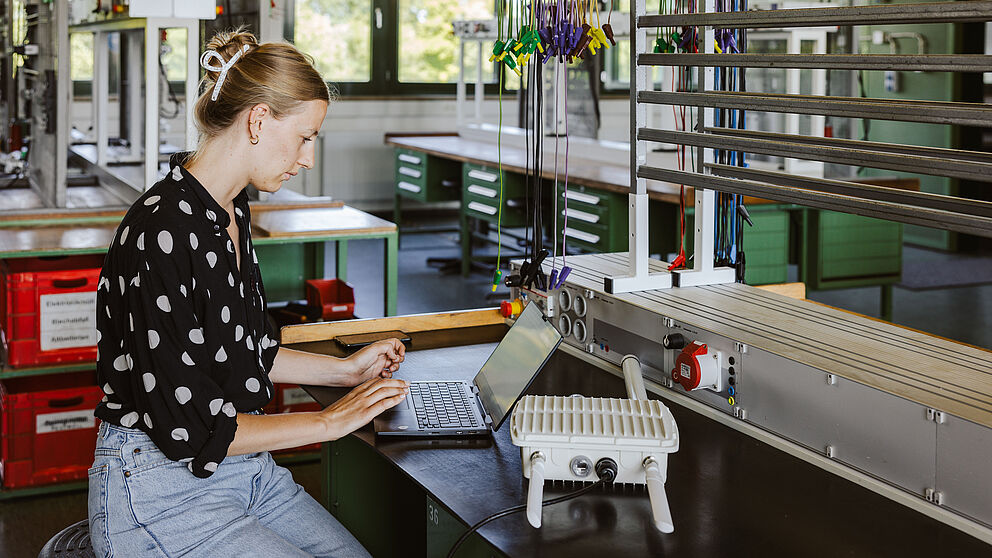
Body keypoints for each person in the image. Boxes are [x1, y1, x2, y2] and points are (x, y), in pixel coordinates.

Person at [87, 29, 408, 557]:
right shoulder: (160, 231)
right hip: (159, 487)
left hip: (244, 470)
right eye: (305, 137)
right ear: (258, 120)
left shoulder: (231, 211)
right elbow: (190, 426)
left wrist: (346, 372)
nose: (307, 158)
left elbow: (246, 350)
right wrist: (330, 421)